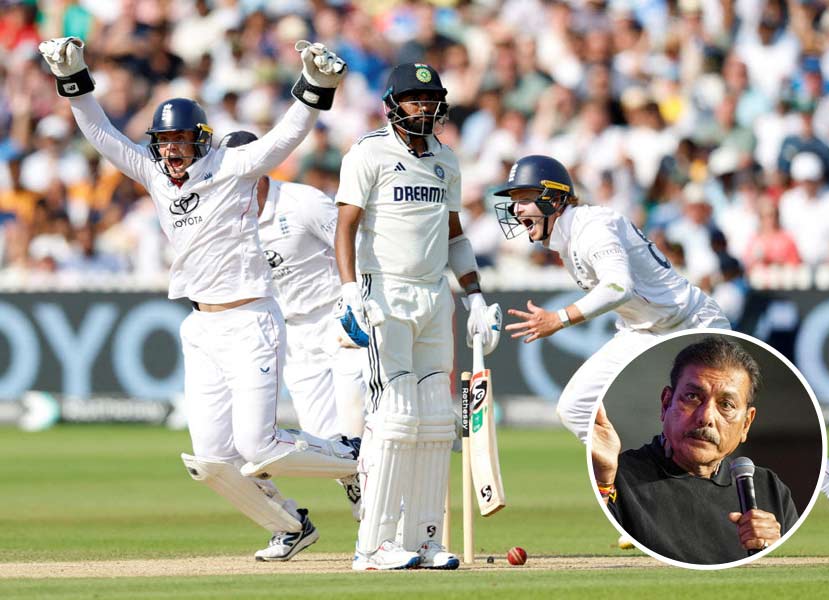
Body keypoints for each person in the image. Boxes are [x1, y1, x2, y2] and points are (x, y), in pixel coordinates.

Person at [39, 36, 359, 562]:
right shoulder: (154, 176)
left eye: (182, 141)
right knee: (212, 458)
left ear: (203, 141)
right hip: (201, 329)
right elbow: (101, 133)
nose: (171, 151)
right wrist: (73, 82)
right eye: (163, 141)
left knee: (259, 447)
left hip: (251, 317)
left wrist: (317, 84)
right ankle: (289, 524)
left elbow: (287, 135)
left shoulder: (233, 167)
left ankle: (352, 456)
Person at [334, 63, 501, 570]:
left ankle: (424, 539)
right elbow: (344, 228)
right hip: (384, 293)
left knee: (433, 420)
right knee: (395, 417)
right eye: (413, 100)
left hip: (434, 297)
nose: (424, 108)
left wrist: (473, 295)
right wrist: (347, 292)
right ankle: (372, 546)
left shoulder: (445, 160)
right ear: (393, 103)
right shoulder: (368, 152)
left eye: (430, 100)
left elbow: (454, 235)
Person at [494, 155, 730, 446]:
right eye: (514, 200)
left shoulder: (592, 227)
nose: (516, 210)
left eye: (525, 198)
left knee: (716, 420)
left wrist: (559, 318)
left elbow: (618, 287)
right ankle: (622, 477)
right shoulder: (567, 241)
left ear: (554, 199)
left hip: (692, 323)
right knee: (574, 408)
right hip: (642, 331)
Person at [218, 130, 369, 557]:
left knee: (355, 432)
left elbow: (353, 244)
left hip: (339, 322)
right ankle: (354, 510)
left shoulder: (302, 202)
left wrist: (355, 303)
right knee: (329, 446)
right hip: (294, 334)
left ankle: (377, 529)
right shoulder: (229, 219)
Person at [591, 335, 798, 565]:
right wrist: (602, 482)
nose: (706, 417)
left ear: (746, 424)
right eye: (692, 397)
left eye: (726, 405)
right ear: (666, 403)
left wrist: (775, 551)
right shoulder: (615, 479)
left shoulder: (769, 489)